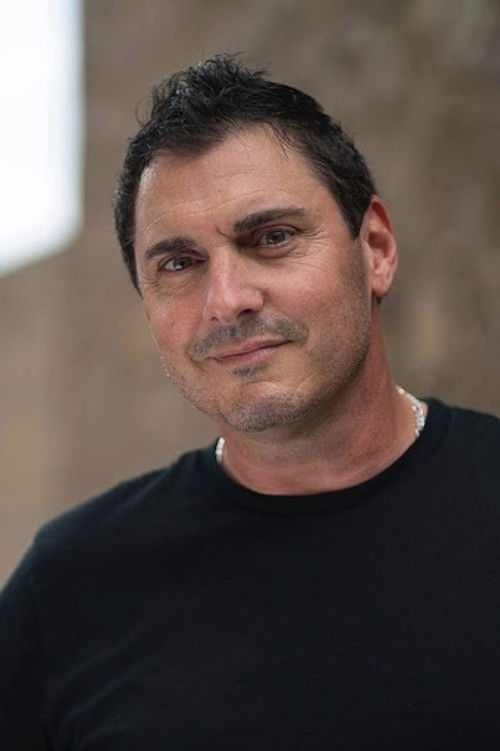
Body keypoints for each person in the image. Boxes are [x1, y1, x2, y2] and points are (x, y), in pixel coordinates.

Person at [1, 55, 499, 751]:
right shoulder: (67, 587)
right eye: (179, 263)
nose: (227, 299)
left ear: (376, 250)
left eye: (272, 238)